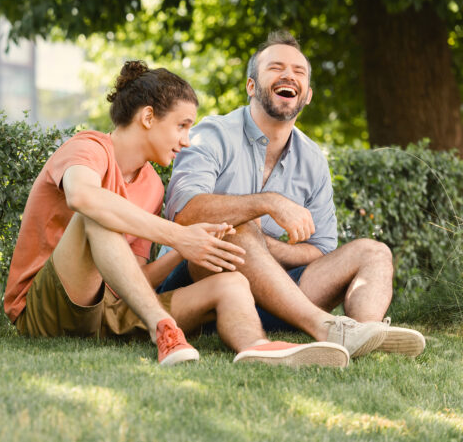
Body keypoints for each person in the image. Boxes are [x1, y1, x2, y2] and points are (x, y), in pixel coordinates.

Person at [4, 60, 351, 367]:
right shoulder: (88, 148)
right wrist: (177, 236)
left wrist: (188, 248)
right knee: (99, 214)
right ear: (148, 117)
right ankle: (163, 330)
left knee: (231, 283)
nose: (187, 140)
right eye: (182, 126)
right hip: (43, 311)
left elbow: (136, 280)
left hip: (110, 312)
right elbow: (83, 197)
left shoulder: (153, 184)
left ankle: (259, 347)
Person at [157, 30, 425, 358]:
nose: (288, 75)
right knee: (237, 226)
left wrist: (264, 247)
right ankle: (326, 326)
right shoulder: (212, 135)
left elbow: (322, 250)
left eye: (298, 72)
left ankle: (365, 333)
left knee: (374, 252)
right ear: (251, 86)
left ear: (307, 95)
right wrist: (266, 205)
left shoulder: (312, 159)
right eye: (276, 68)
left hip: (275, 299)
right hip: (199, 286)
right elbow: (184, 214)